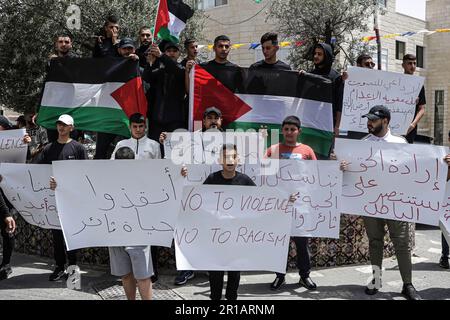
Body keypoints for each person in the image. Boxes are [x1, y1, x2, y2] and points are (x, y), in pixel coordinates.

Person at [342, 105, 422, 300]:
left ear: (385, 121)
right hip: (371, 203)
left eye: (373, 120)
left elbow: (415, 169)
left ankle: (407, 284)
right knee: (375, 242)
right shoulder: (362, 143)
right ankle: (376, 279)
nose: (369, 123)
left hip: (396, 203)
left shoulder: (400, 142)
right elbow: (354, 172)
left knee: (402, 244)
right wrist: (343, 167)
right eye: (368, 119)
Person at [265, 116, 318, 291]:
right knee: (280, 243)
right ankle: (280, 276)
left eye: (292, 129)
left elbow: (317, 175)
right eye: (286, 129)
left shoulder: (307, 151)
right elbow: (263, 173)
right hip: (279, 205)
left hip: (301, 206)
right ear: (282, 130)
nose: (289, 132)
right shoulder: (272, 149)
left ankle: (305, 276)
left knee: (302, 243)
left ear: (299, 131)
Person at [36, 114, 87, 281]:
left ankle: (73, 268)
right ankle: (59, 267)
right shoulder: (49, 149)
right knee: (57, 235)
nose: (61, 127)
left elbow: (85, 174)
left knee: (72, 235)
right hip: (54, 201)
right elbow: (35, 171)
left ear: (72, 127)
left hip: (73, 200)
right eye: (59, 124)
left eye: (65, 125)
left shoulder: (79, 148)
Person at [203, 144, 257, 300]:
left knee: (234, 275)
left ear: (238, 160)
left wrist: (286, 200)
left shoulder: (245, 181)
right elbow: (199, 202)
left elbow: (262, 200)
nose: (230, 160)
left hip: (236, 238)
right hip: (216, 237)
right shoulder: (212, 179)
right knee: (215, 276)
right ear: (220, 160)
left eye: (233, 156)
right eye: (226, 157)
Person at [109, 146, 154, 300]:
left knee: (143, 276)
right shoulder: (105, 179)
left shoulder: (144, 178)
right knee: (126, 275)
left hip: (138, 233)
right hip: (115, 233)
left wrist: (180, 175)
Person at [0, 116, 31, 280]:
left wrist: (27, 144)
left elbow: (25, 160)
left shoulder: (14, 141)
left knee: (7, 231)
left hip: (8, 194)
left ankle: (6, 263)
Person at [143, 42, 187, 143]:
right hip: (157, 119)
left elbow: (176, 69)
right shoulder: (160, 71)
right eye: (168, 51)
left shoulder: (182, 69)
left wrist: (161, 56)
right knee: (156, 150)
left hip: (175, 120)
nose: (172, 53)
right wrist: (150, 63)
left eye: (174, 51)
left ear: (179, 53)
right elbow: (147, 78)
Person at [308, 43, 344, 145]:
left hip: (328, 125)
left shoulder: (336, 77)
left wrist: (336, 127)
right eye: (315, 53)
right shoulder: (310, 75)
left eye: (319, 54)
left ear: (326, 56)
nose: (316, 56)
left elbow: (339, 104)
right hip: (311, 124)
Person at [345, 53, 376, 140]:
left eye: (372, 64)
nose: (370, 66)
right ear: (358, 66)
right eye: (367, 64)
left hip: (373, 127)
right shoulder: (349, 80)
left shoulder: (378, 82)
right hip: (355, 126)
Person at [402, 54, 426, 144]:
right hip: (393, 128)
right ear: (403, 65)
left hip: (410, 130)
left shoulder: (419, 84)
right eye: (409, 63)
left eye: (414, 63)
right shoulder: (395, 81)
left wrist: (413, 124)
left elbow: (422, 109)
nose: (412, 66)